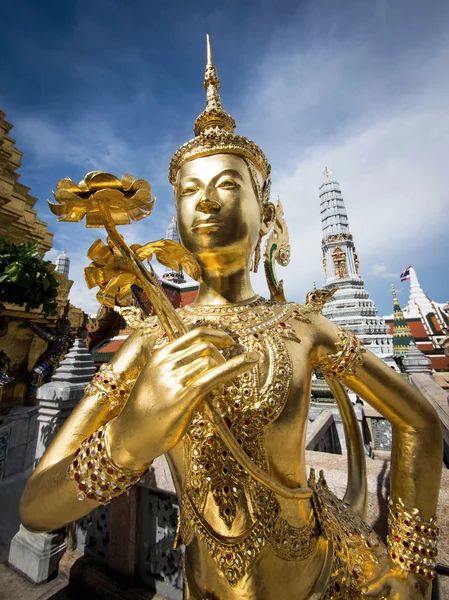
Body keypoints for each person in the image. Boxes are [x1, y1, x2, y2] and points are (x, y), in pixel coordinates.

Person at [20, 37, 442, 600]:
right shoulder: (151, 340)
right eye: (190, 191)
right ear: (176, 217)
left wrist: (411, 567)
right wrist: (127, 441)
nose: (207, 202)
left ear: (264, 212)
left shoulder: (302, 326)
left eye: (227, 185)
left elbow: (421, 423)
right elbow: (36, 506)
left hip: (323, 578)